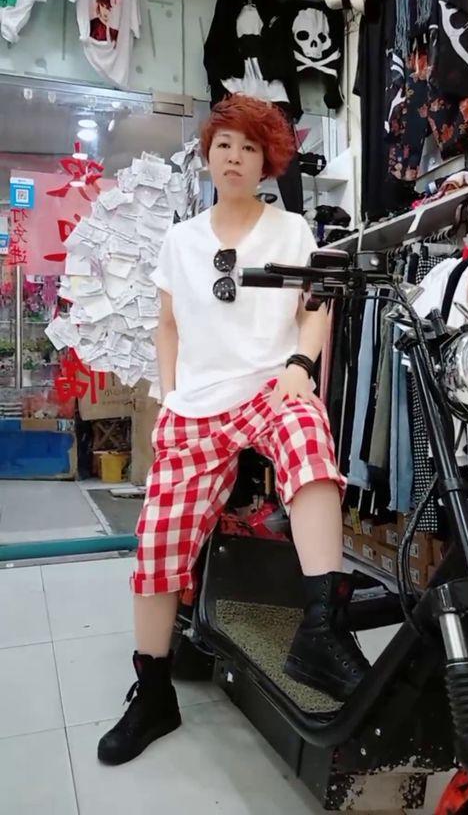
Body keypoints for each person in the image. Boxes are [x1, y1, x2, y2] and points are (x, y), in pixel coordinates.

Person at [97, 95, 369, 767]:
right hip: (196, 404)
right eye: (225, 144)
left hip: (270, 386)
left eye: (250, 147)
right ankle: (153, 690)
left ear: (266, 160)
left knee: (310, 442)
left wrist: (301, 366)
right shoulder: (180, 240)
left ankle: (322, 627)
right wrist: (169, 398)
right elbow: (167, 325)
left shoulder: (292, 230)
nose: (236, 158)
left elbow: (315, 305)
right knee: (157, 543)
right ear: (208, 154)